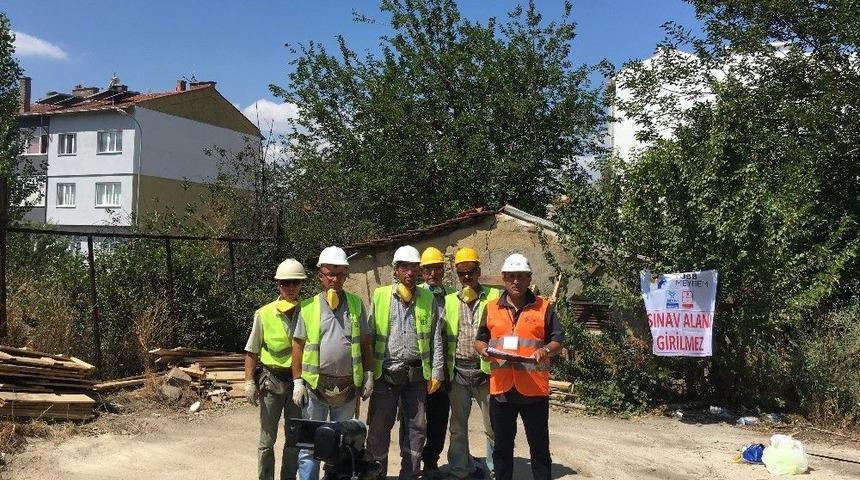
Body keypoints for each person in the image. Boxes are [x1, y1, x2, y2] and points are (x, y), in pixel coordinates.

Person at [474, 253, 564, 480]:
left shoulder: (544, 307)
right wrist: (483, 350)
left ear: (529, 278)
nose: (516, 281)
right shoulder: (491, 308)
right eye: (511, 276)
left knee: (539, 447)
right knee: (502, 448)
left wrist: (545, 351)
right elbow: (480, 339)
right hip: (502, 390)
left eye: (521, 276)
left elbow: (558, 340)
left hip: (534, 390)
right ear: (504, 279)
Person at [291, 246, 374, 480]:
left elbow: (365, 342)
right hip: (315, 387)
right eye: (330, 274)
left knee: (344, 444)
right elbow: (298, 346)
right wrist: (297, 382)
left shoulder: (356, 304)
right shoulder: (308, 307)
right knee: (310, 445)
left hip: (347, 388)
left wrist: (368, 374)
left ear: (346, 275)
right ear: (320, 276)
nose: (334, 280)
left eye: (339, 274)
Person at [366, 245, 446, 480]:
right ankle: (376, 475)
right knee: (379, 429)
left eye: (414, 267)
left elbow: (435, 338)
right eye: (404, 267)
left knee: (416, 429)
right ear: (395, 270)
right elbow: (369, 336)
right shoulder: (381, 296)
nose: (410, 272)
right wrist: (369, 373)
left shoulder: (427, 297)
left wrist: (437, 372)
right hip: (386, 374)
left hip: (416, 376)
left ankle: (409, 475)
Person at [244, 258, 307, 480]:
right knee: (267, 439)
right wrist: (249, 382)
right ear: (278, 284)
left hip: (299, 384)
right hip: (272, 381)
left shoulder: (308, 311)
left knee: (294, 438)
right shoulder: (264, 314)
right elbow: (252, 350)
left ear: (301, 284)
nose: (291, 287)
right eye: (285, 283)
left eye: (295, 282)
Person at [444, 247, 502, 480]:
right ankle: (460, 470)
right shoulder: (450, 300)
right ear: (457, 274)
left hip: (486, 372)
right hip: (458, 371)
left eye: (471, 271)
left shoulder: (495, 298)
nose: (467, 276)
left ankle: (494, 470)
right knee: (458, 426)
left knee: (493, 426)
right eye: (462, 272)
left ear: (479, 271)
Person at [411, 246, 455, 478]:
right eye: (428, 269)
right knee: (415, 420)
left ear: (443, 270)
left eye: (437, 268)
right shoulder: (416, 295)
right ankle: (412, 461)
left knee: (439, 419)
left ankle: (431, 461)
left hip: (445, 369)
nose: (433, 273)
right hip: (420, 368)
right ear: (422, 272)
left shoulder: (453, 296)